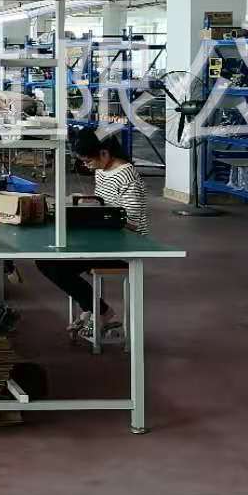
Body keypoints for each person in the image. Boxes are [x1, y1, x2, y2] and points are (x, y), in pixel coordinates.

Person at [37, 128, 149, 343]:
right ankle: (94, 308)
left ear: (104, 153)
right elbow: (104, 205)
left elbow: (132, 223)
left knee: (54, 266)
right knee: (46, 261)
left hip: (124, 245)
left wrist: (96, 218)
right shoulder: (102, 171)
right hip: (103, 239)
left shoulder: (127, 175)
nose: (86, 165)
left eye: (88, 160)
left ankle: (100, 311)